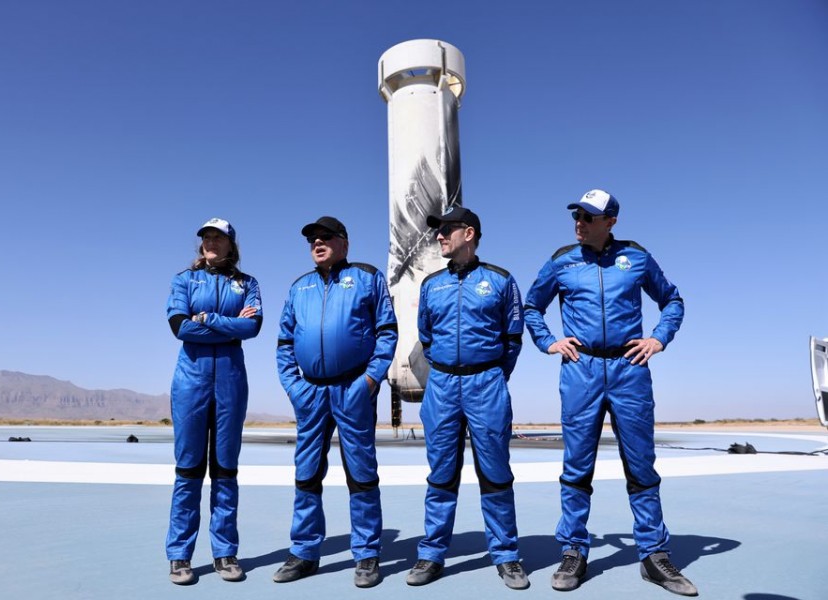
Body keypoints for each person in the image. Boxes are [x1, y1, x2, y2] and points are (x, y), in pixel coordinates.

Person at [523, 190, 697, 596]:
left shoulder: (636, 257)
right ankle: (573, 550)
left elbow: (672, 300)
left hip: (629, 370)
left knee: (641, 465)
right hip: (580, 370)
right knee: (576, 466)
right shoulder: (562, 260)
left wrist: (658, 338)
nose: (579, 223)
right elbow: (532, 306)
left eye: (589, 217)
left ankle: (654, 555)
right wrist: (548, 341)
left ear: (611, 221)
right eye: (577, 215)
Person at [405, 206, 529, 590]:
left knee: (495, 474)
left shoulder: (501, 280)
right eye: (438, 231)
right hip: (442, 386)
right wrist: (448, 370)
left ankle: (506, 556)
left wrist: (489, 374)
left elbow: (512, 338)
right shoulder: (431, 284)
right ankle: (431, 554)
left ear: (469, 233)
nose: (439, 236)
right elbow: (426, 337)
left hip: (486, 384)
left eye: (447, 229)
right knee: (441, 474)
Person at [274, 216, 398, 588]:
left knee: (361, 474)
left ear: (344, 242)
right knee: (306, 474)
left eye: (325, 237)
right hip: (310, 392)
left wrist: (370, 380)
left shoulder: (367, 277)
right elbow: (284, 342)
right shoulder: (299, 287)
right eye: (312, 238)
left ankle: (366, 554)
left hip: (353, 389)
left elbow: (387, 332)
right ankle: (304, 552)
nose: (317, 242)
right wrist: (293, 386)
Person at [164, 217, 263, 585]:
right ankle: (179, 555)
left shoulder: (247, 284)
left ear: (230, 244)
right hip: (190, 382)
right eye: (207, 237)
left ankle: (225, 552)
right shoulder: (184, 280)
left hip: (231, 384)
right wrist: (228, 325)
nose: (211, 242)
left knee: (225, 470)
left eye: (218, 238)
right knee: (189, 469)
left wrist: (206, 318)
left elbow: (252, 327)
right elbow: (180, 326)